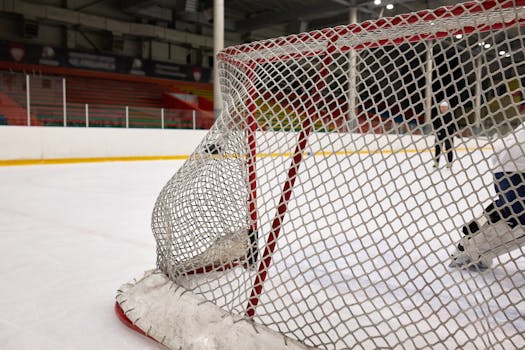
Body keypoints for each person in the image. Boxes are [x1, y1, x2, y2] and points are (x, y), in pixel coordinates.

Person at [450, 120, 525, 270]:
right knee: (517, 216)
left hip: (510, 162)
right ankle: (470, 251)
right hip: (515, 165)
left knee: (512, 213)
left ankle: (470, 249)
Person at [432, 101, 457, 168]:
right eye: (442, 107)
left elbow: (454, 124)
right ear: (440, 108)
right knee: (437, 149)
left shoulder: (451, 115)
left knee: (449, 149)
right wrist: (435, 131)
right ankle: (436, 163)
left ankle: (449, 163)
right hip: (439, 134)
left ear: (447, 108)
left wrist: (457, 131)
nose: (443, 108)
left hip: (449, 134)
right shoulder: (437, 116)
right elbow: (434, 124)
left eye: (445, 107)